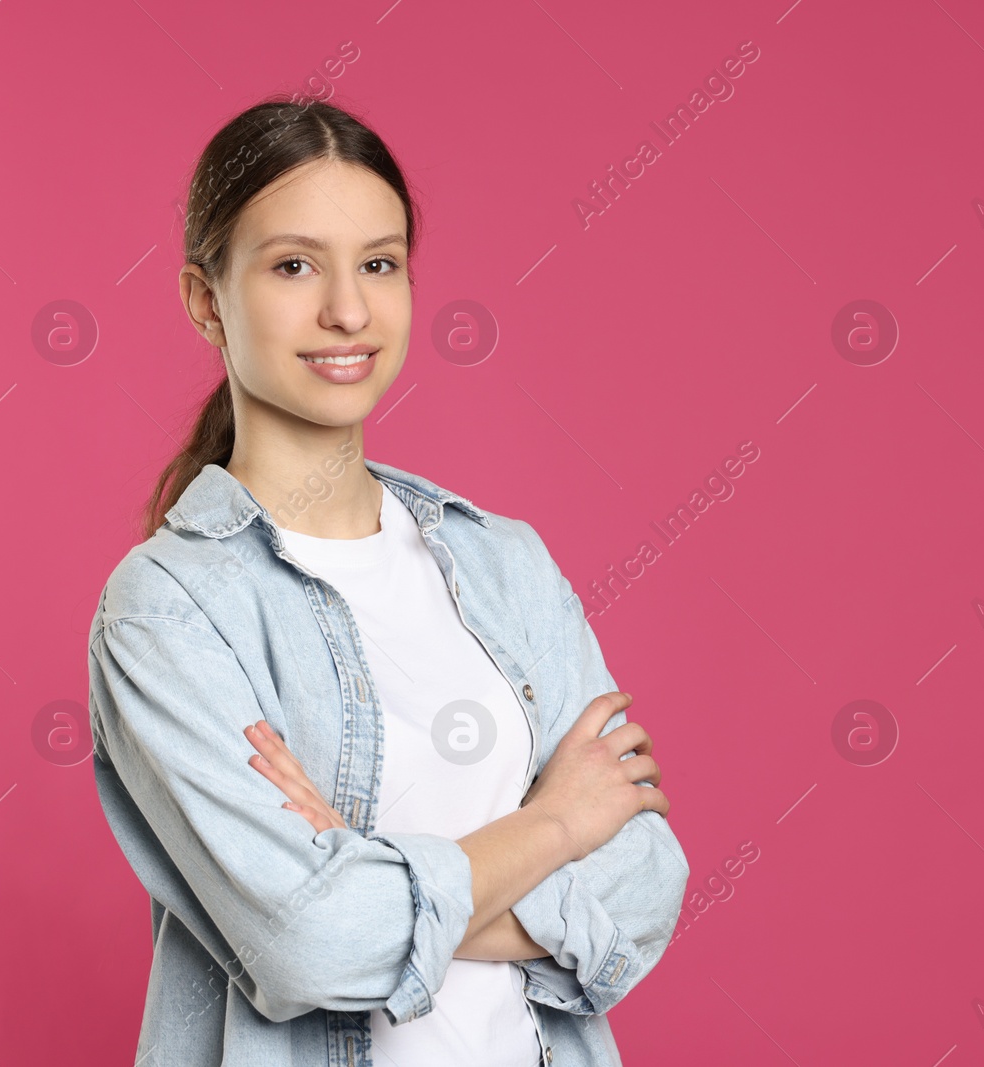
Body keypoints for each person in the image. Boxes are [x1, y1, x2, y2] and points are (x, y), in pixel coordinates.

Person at [87, 96, 689, 1067]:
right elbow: (306, 945)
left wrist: (369, 873)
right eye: (293, 265)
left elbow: (646, 885)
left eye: (379, 263)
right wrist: (555, 822)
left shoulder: (505, 561)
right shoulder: (169, 607)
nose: (349, 310)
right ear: (206, 299)